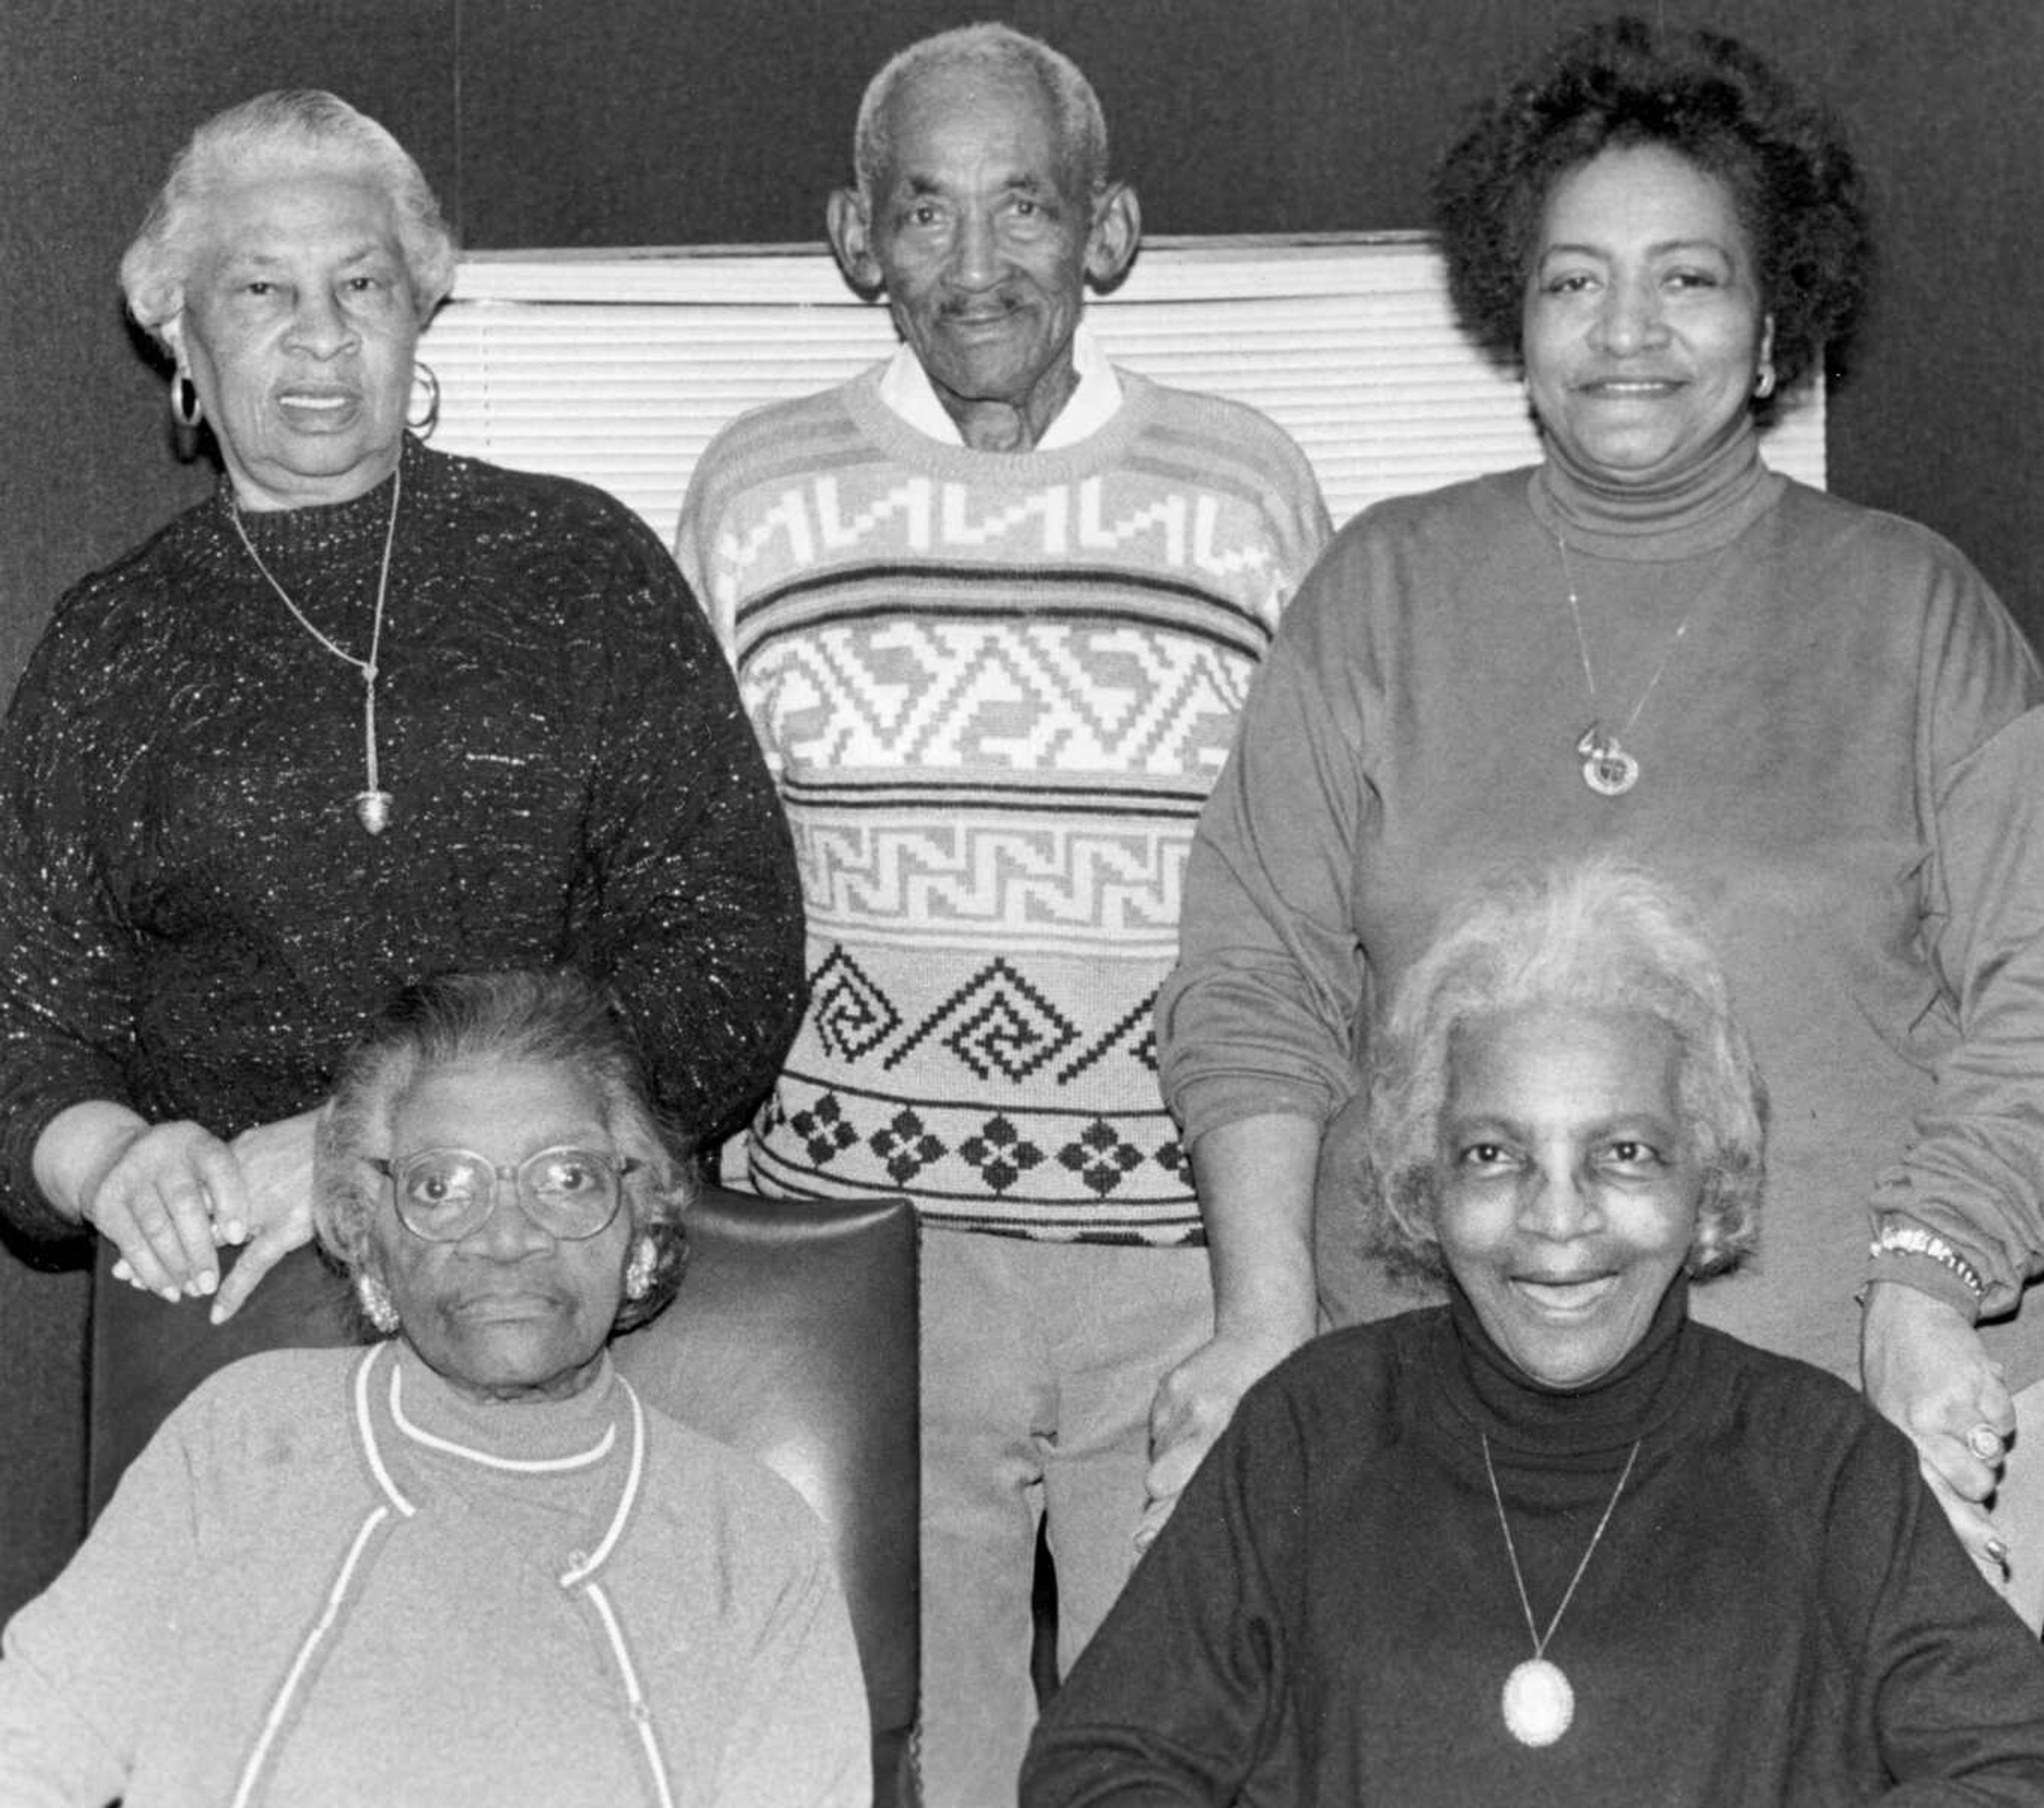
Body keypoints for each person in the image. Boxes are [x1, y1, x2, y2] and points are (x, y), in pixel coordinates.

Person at [1153, 14, 2044, 1623]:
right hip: (1446, 1440)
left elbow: (2036, 995)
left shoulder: (1920, 610)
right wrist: (1264, 1322)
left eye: (1689, 277)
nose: (1627, 328)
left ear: (1776, 323)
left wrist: (1932, 1285)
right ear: (1520, 313)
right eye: (1576, 279)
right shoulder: (1383, 590)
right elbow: (1254, 978)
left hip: (1857, 1424)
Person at [674, 22, 1330, 1802]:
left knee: (1183, 1736)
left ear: (1106, 231)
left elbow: (1309, 873)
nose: (977, 266)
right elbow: (696, 870)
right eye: (927, 214)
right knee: (909, 1747)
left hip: (1184, 1252)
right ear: (853, 238)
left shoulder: (1250, 487)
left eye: (1024, 208)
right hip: (866, 1258)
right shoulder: (752, 491)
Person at [0, 91, 803, 1326]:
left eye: (363, 286)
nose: (322, 336)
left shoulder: (581, 565)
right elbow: (26, 1026)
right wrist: (118, 1163)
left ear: (418, 309)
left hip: (568, 1275)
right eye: (262, 292)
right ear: (179, 333)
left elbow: (727, 961)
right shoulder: (111, 644)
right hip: (242, 1293)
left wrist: (352, 1151)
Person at [1026, 860, 2044, 1805]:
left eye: (1627, 1153)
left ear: (1711, 1178)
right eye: (1493, 1154)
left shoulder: (1823, 1462)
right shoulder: (1308, 1429)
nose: (1559, 1219)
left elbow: (2010, 1765)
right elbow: (1103, 1765)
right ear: (1423, 1183)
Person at [0, 966, 868, 1807]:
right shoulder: (242, 1435)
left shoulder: (751, 1537)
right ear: (368, 1245)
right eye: (439, 1186)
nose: (506, 1236)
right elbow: (33, 1741)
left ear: (640, 1230)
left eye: (567, 1178)